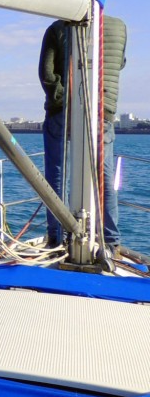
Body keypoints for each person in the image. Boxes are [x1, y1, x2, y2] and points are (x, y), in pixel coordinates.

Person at [39, 14, 127, 250]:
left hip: (62, 111)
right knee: (105, 177)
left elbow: (46, 74)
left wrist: (60, 99)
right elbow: (120, 63)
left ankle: (56, 238)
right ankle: (111, 242)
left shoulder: (58, 28)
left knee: (56, 174)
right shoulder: (119, 27)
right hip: (102, 110)